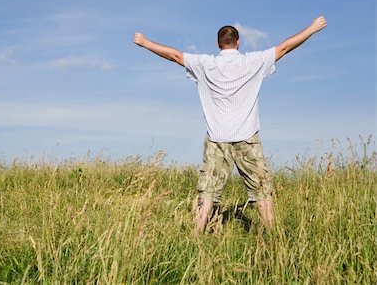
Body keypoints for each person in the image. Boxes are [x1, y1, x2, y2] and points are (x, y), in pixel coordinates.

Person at [133, 16, 327, 233]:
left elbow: (175, 55)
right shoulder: (252, 61)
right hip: (247, 136)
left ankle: (196, 235)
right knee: (261, 190)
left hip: (217, 138)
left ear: (218, 44)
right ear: (238, 42)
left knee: (207, 191)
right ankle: (274, 236)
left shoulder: (206, 64)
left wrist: (145, 42)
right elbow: (284, 48)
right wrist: (312, 28)